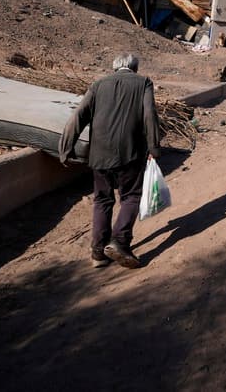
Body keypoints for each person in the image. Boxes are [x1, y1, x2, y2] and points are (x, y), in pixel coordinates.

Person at [58, 53, 161, 269]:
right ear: (135, 67)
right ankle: (120, 242)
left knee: (102, 200)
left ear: (115, 68)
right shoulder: (143, 83)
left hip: (100, 152)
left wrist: (66, 147)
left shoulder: (98, 85)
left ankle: (98, 253)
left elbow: (79, 115)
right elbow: (149, 115)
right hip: (130, 152)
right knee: (131, 196)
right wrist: (153, 147)